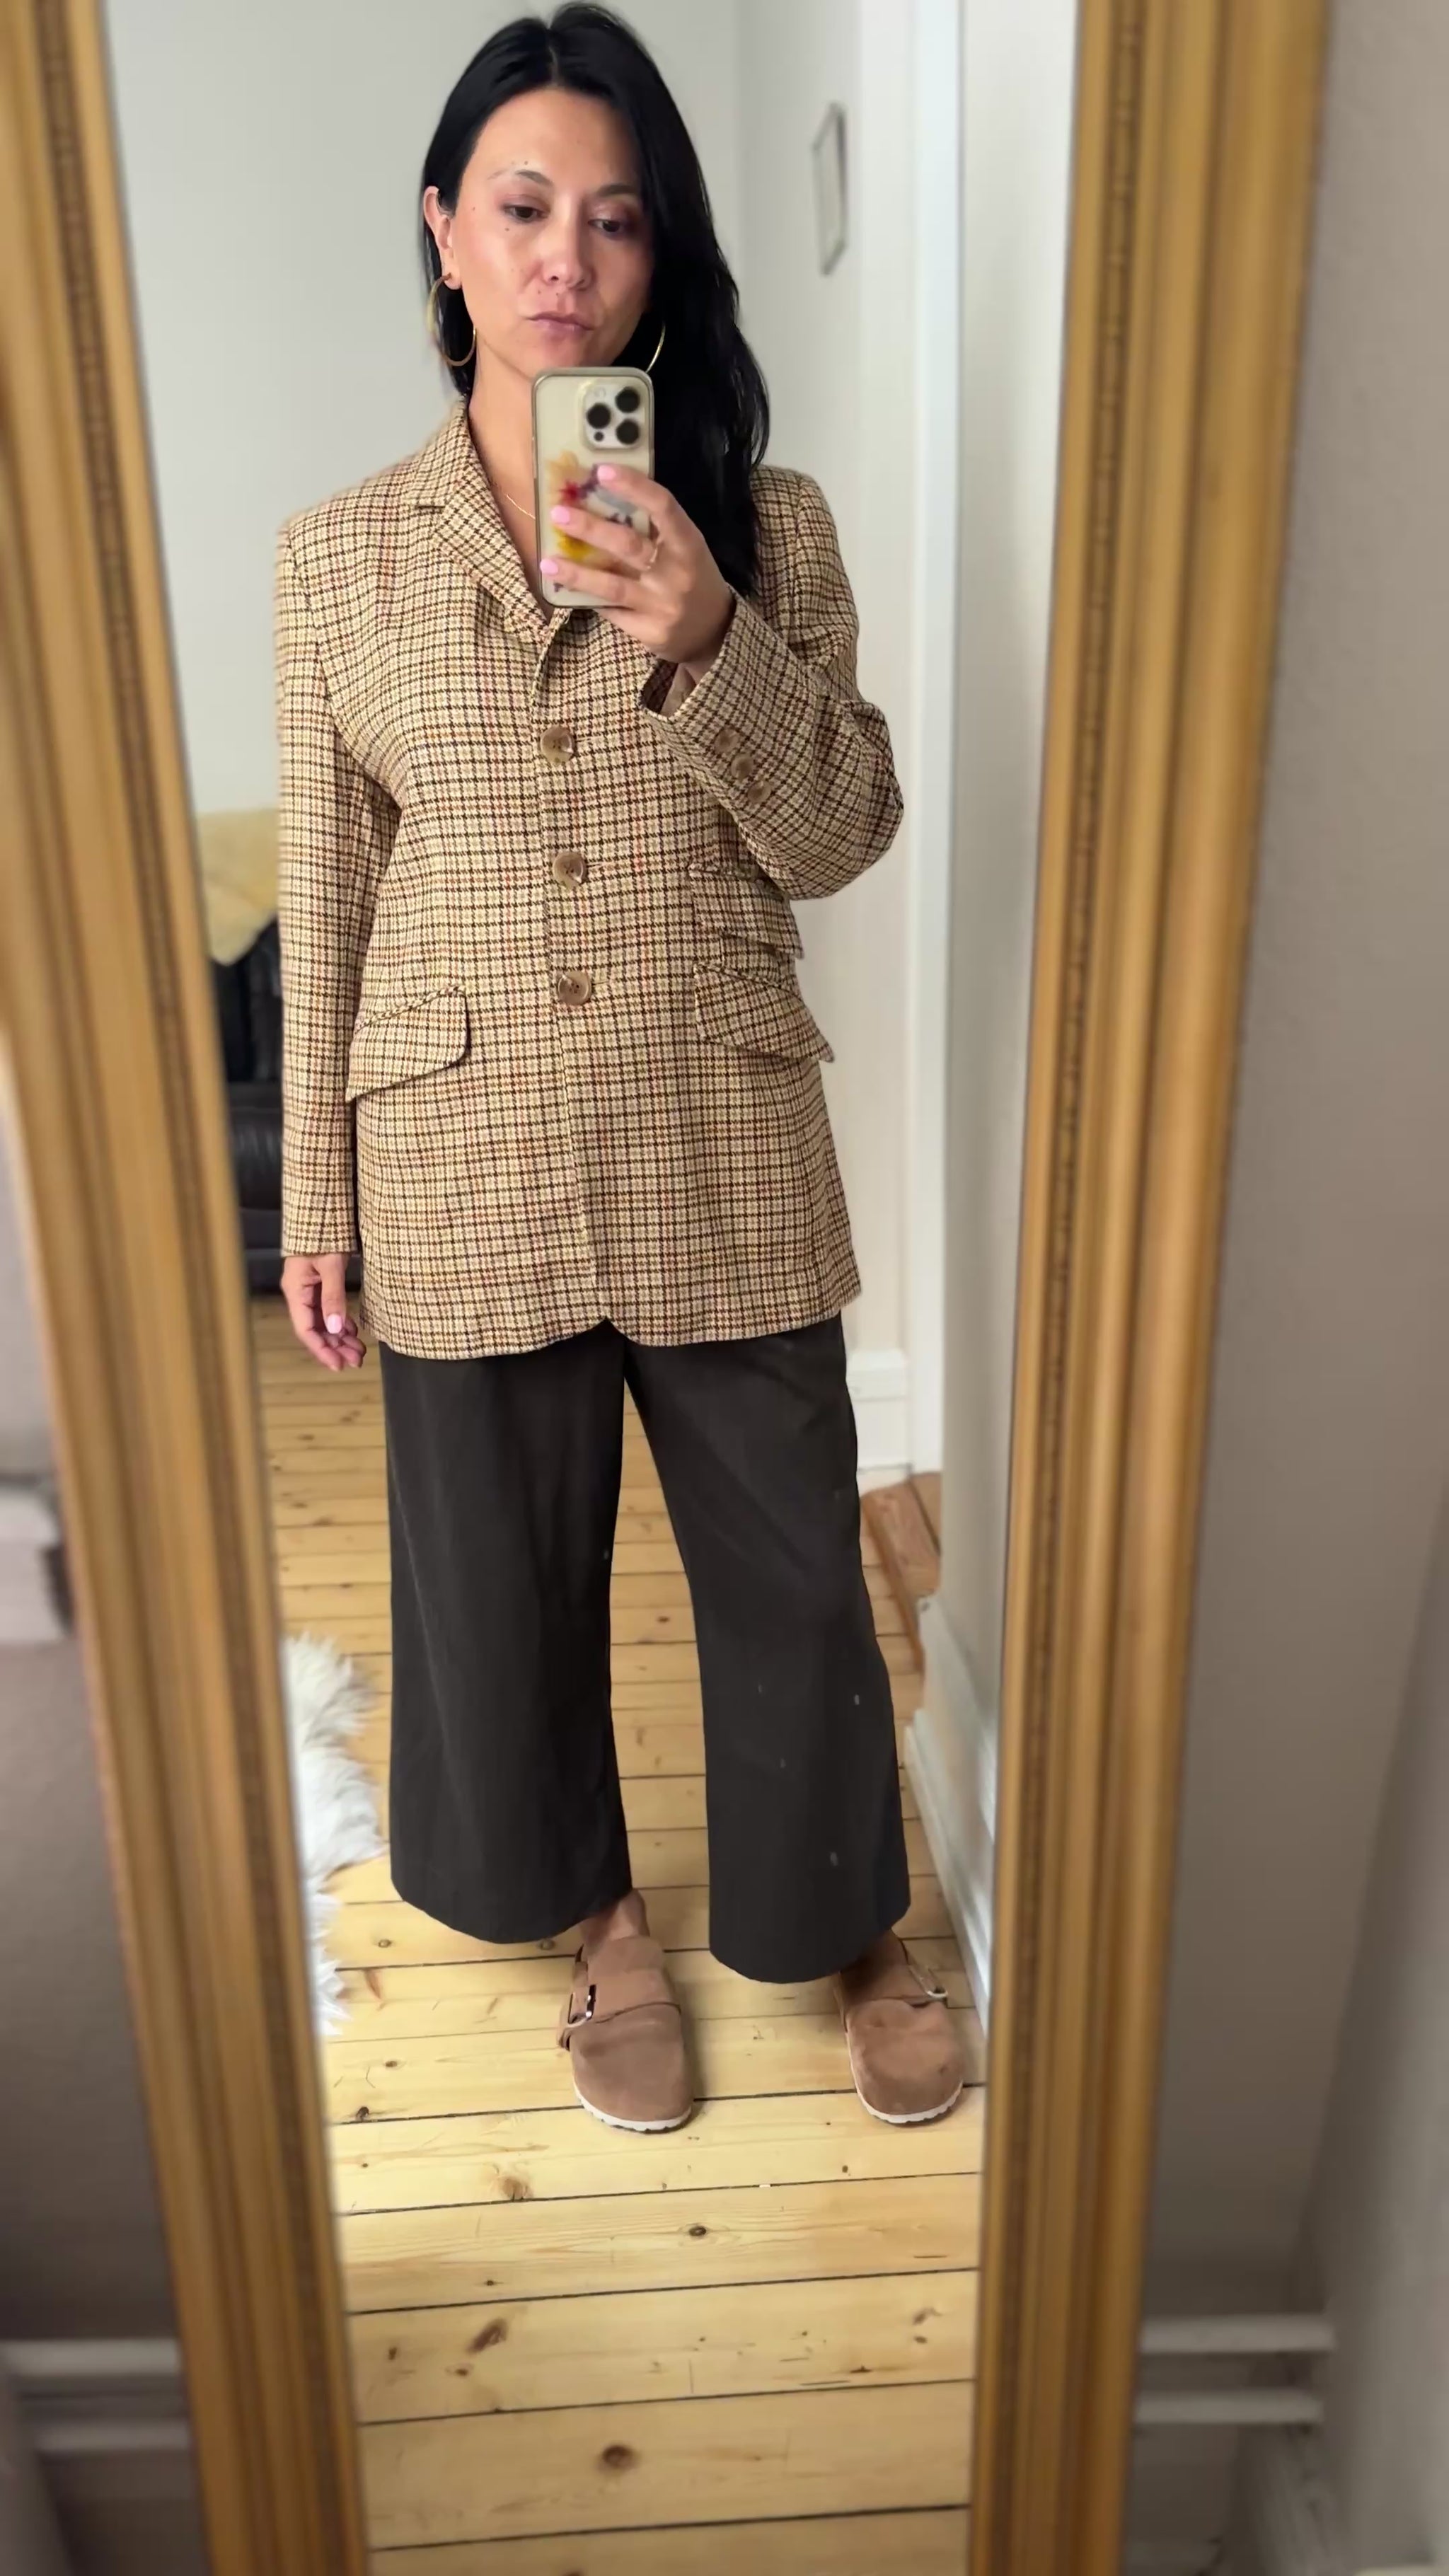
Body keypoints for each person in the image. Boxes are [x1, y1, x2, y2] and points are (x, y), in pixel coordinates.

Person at [275, 3, 966, 2133]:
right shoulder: (337, 558)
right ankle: (597, 1927)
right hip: (457, 1136)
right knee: (496, 1583)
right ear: (445, 229)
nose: (566, 256)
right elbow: (328, 886)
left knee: (791, 1562)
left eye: (617, 216)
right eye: (523, 207)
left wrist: (710, 637)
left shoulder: (771, 525)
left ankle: (843, 1920)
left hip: (718, 1120)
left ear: (661, 255)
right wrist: (318, 1196)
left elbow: (846, 829)